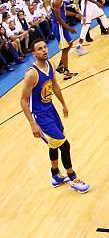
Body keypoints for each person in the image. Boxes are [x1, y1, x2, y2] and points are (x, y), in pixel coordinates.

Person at [19, 39, 90, 193]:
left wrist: (63, 104)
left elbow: (55, 85)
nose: (44, 50)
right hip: (39, 116)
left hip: (51, 110)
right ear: (34, 53)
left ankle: (56, 175)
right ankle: (73, 178)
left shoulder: (50, 65)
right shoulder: (31, 74)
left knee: (54, 143)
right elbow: (23, 101)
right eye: (39, 49)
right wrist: (32, 123)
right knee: (64, 144)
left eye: (44, 47)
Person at [51, 0, 80, 80]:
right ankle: (65, 71)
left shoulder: (60, 0)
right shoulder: (56, 1)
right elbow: (58, 18)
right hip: (59, 27)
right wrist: (69, 28)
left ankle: (61, 65)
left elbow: (64, 12)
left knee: (69, 44)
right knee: (65, 47)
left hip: (61, 26)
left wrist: (75, 15)